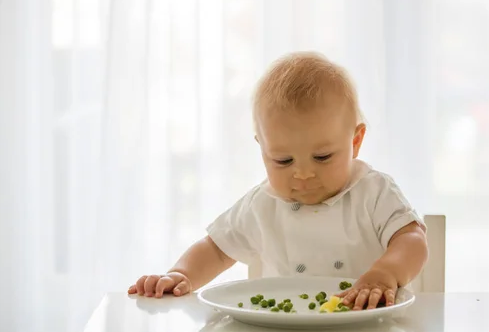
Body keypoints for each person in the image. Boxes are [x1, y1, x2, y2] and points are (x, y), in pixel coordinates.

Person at [128, 52, 428, 310]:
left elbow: (412, 240)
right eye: (283, 161)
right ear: (262, 148)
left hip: (368, 328)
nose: (303, 173)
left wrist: (385, 273)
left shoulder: (372, 191)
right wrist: (182, 274)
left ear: (356, 141)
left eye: (322, 157)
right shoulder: (262, 203)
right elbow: (217, 249)